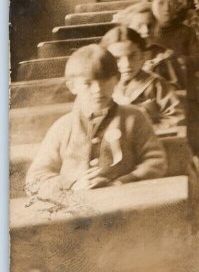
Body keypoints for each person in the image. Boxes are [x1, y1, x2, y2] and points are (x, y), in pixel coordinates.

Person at [25, 45, 167, 199]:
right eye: (87, 84)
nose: (97, 89)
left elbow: (155, 161)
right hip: (76, 205)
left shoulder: (134, 117)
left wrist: (121, 182)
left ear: (117, 79)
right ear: (72, 86)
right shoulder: (62, 127)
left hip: (125, 200)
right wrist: (71, 184)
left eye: (105, 80)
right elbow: (36, 178)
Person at [150, 0, 199, 179]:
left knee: (192, 119)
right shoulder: (145, 31)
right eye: (161, 3)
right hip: (149, 90)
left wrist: (176, 59)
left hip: (181, 86)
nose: (166, 8)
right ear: (151, 2)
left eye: (172, 3)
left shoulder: (185, 31)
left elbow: (198, 61)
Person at [100, 26, 184, 130]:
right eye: (117, 59)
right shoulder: (101, 86)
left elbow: (176, 116)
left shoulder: (156, 84)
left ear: (143, 55)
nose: (126, 65)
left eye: (133, 56)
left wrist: (152, 130)